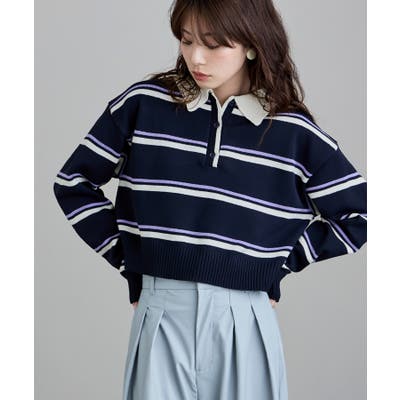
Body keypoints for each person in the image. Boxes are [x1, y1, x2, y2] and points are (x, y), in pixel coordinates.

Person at [52, 0, 367, 399]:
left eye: (214, 44)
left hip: (245, 316)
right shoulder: (143, 106)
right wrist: (129, 258)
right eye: (186, 40)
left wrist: (277, 265)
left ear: (251, 44)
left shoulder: (292, 133)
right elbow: (73, 182)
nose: (196, 57)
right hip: (161, 308)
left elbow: (360, 214)